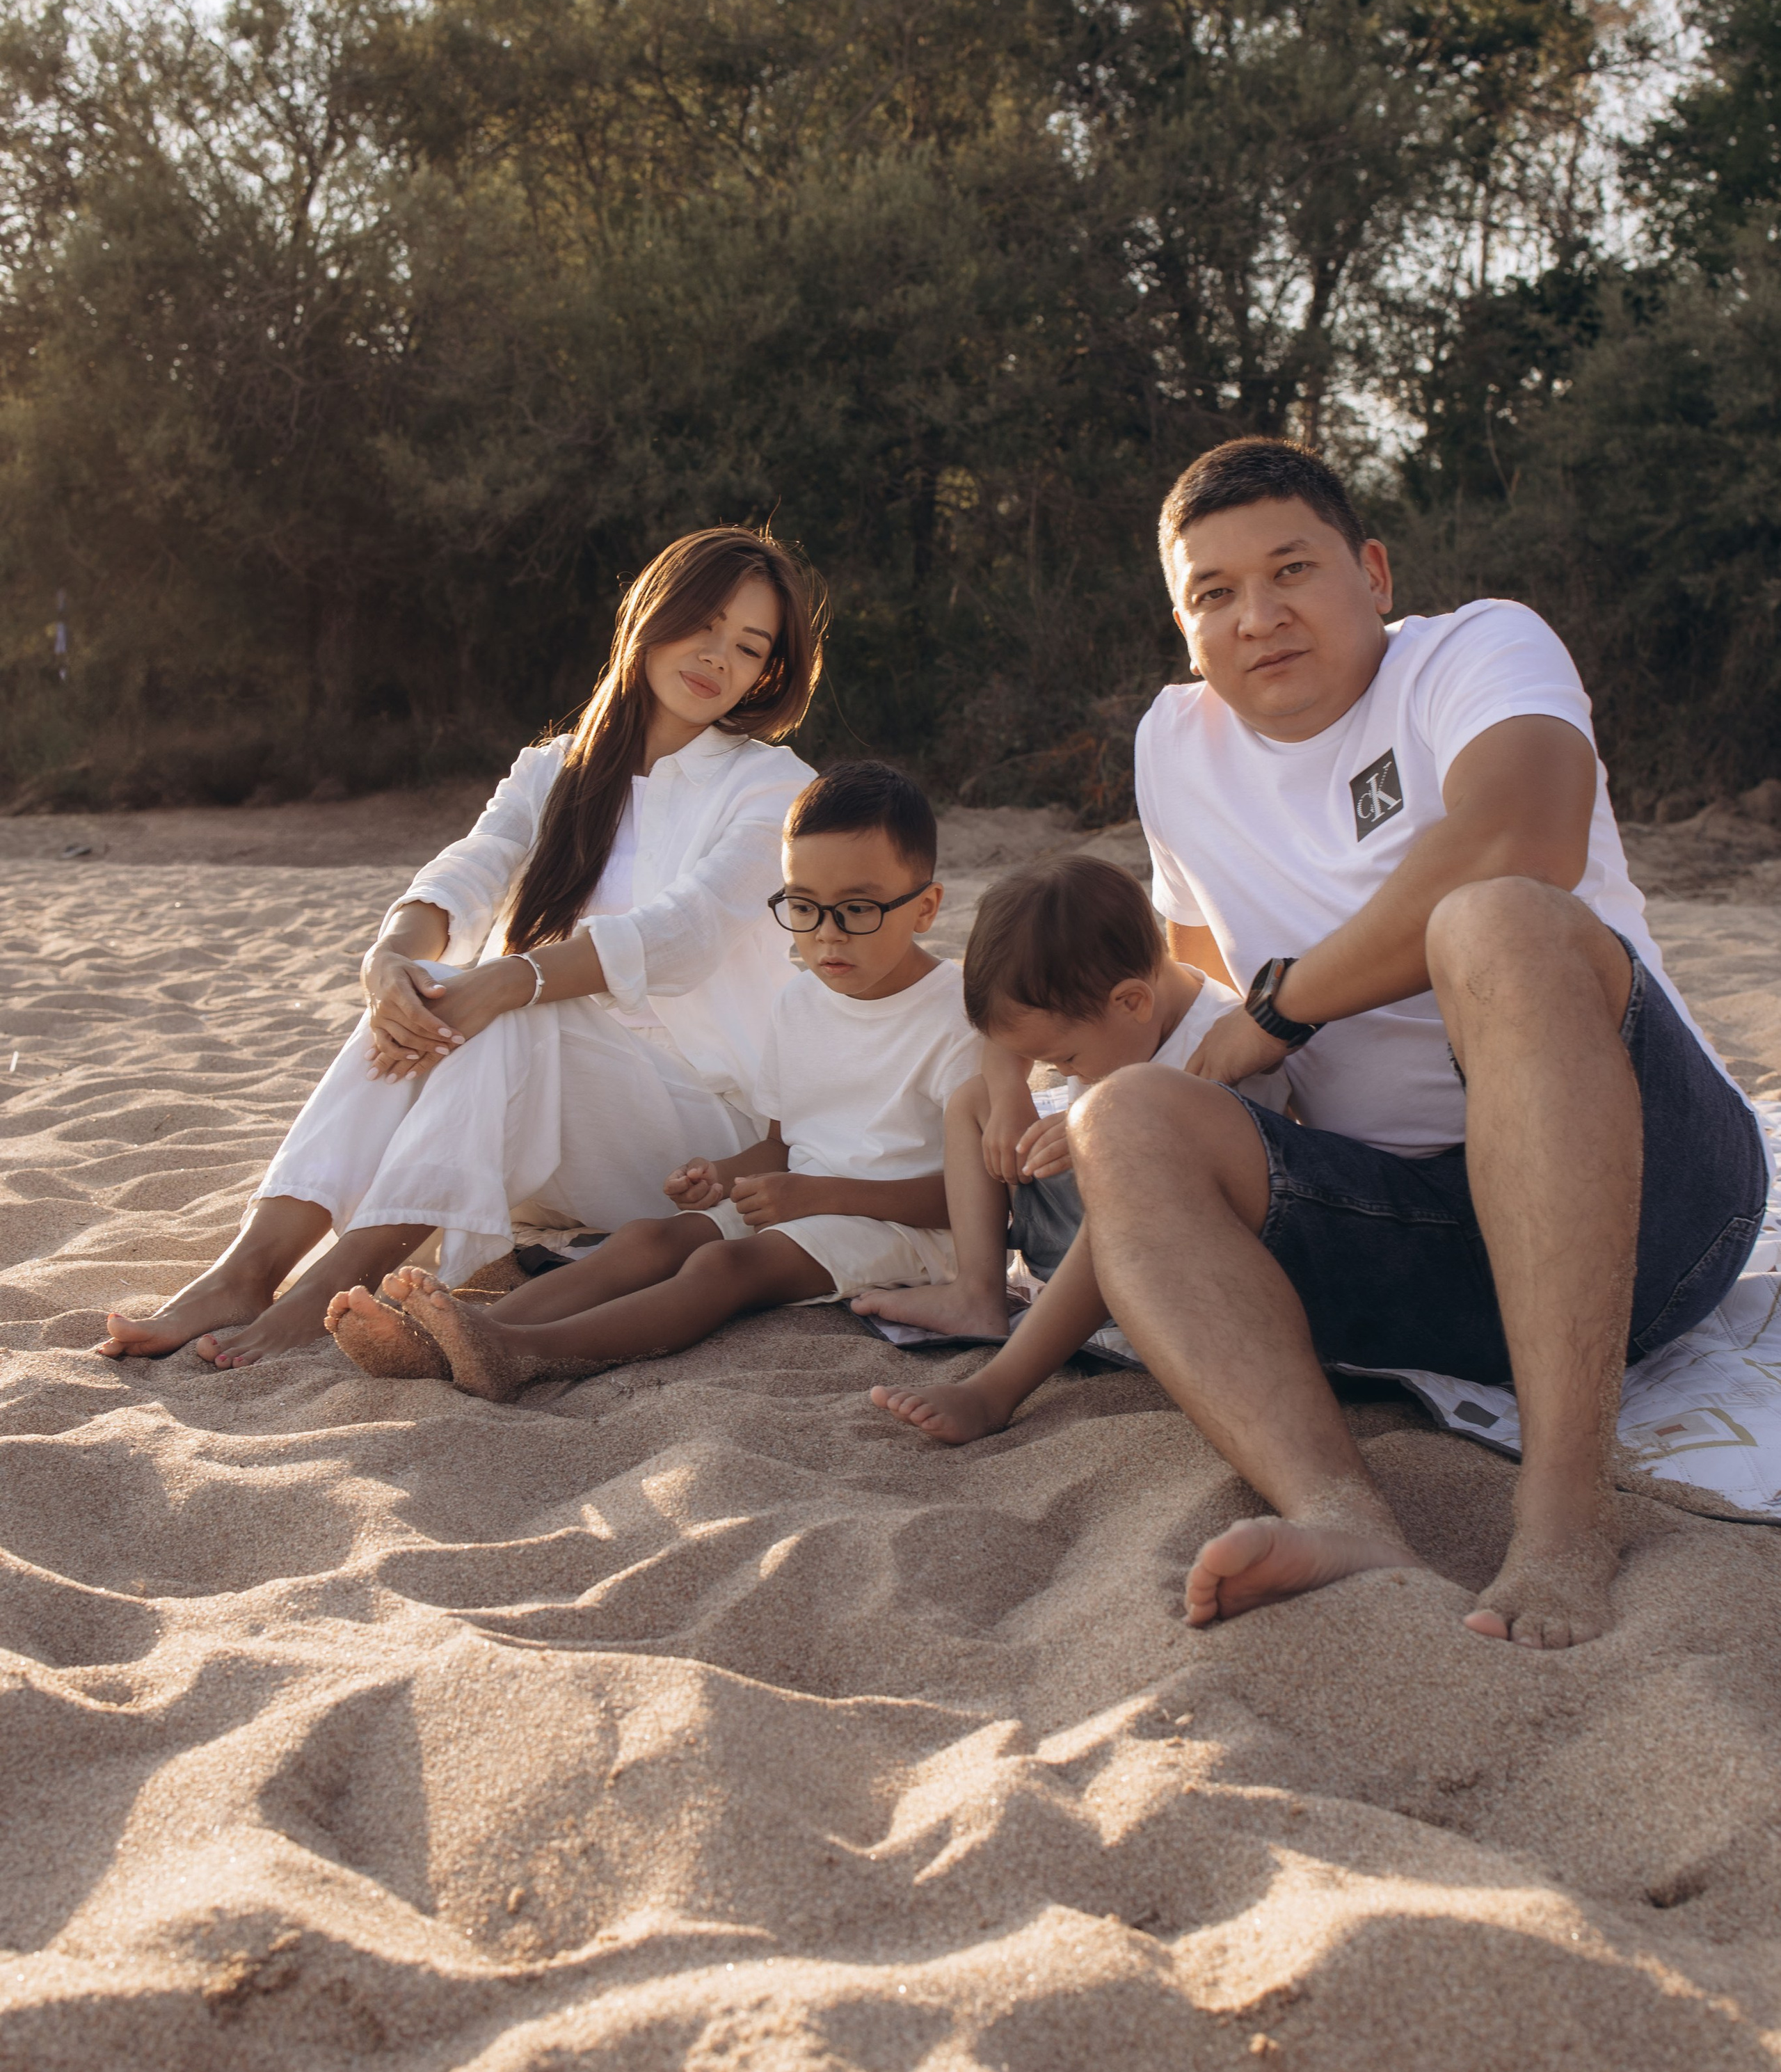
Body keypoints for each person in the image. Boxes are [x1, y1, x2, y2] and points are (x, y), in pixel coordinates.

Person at [999, 437, 1766, 1650]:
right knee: (1124, 1116)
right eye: (1214, 593)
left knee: (1498, 920)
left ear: (1373, 572)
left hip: (1653, 1219)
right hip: (1406, 1242)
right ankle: (1335, 1511)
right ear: (1184, 626)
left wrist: (1283, 1007)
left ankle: (1565, 1511)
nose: (1258, 616)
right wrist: (1032, 1082)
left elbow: (1523, 837)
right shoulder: (1173, 746)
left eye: (1291, 570)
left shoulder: (1479, 651)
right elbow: (1193, 982)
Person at [97, 527, 824, 1366]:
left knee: (513, 1004)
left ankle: (332, 1282)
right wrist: (389, 963)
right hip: (527, 1134)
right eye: (703, 623)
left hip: (688, 1140)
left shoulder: (774, 786)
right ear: (650, 617)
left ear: (767, 673)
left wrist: (512, 979)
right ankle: (246, 1268)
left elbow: (685, 933)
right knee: (434, 988)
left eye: (749, 647)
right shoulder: (554, 768)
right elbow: (472, 868)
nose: (717, 657)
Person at [324, 760, 982, 1396]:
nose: (828, 936)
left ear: (925, 907)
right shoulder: (800, 1001)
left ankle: (523, 1355)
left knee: (724, 1264)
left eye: (858, 909)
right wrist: (721, 1175)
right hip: (802, 1201)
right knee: (648, 1238)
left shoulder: (958, 1019)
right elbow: (785, 1143)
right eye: (804, 907)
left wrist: (818, 1195)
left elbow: (973, 1200)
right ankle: (465, 1337)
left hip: (910, 1235)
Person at [869, 850, 1286, 1426]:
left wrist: (1100, 1129)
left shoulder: (1218, 1040)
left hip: (1162, 1248)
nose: (1062, 1071)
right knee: (972, 1100)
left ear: (1132, 1002)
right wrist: (1009, 1095)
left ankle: (1000, 1388)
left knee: (1127, 1169)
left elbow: (1203, 1173)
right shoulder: (1114, 1008)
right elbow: (1009, 1036)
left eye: (1065, 1059)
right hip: (1074, 1223)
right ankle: (978, 1293)